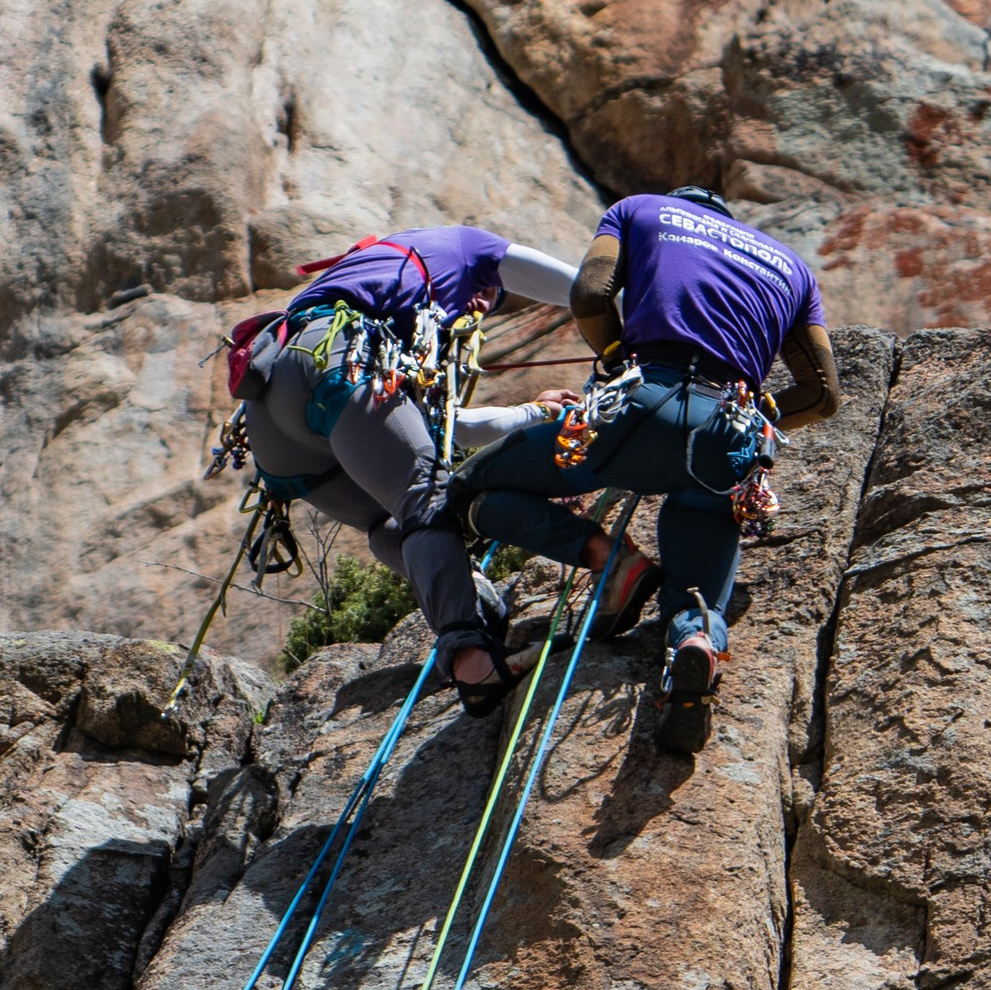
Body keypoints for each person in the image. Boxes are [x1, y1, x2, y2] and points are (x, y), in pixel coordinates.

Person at [454, 184, 840, 735]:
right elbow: (823, 395)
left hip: (637, 406)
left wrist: (613, 360)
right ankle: (695, 641)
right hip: (727, 435)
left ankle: (611, 561)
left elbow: (589, 296)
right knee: (700, 565)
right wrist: (757, 415)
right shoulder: (794, 268)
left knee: (469, 489)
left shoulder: (637, 209)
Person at [237, 226, 584, 715]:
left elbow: (449, 428)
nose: (482, 309)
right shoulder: (461, 245)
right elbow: (583, 288)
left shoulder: (380, 302)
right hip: (334, 360)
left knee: (389, 524)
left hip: (275, 418)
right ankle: (472, 664)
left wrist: (537, 412)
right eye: (485, 295)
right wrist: (639, 331)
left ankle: (473, 604)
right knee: (426, 499)